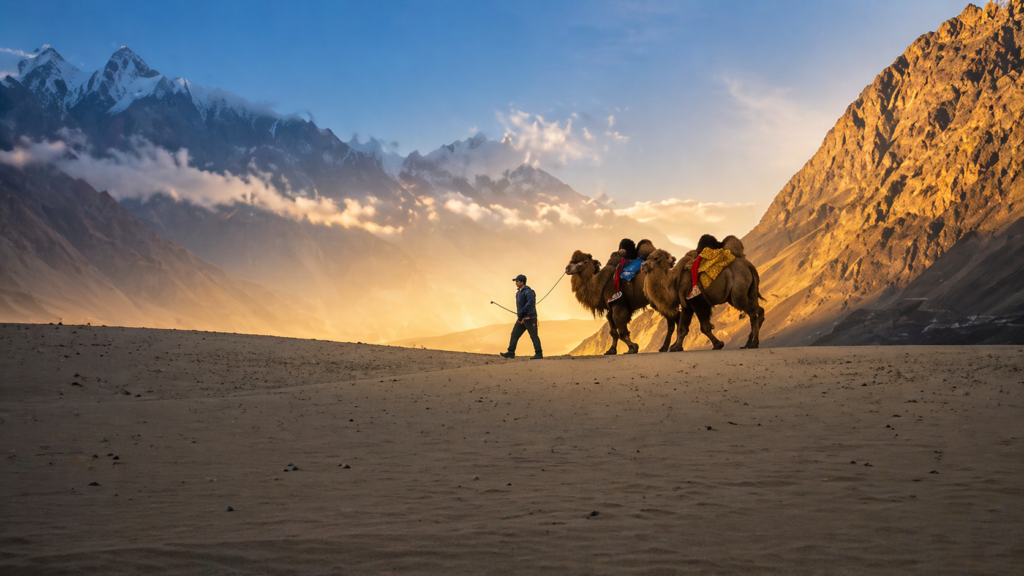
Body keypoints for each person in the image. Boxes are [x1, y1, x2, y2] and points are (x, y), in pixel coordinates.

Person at [500, 274, 543, 359]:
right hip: (522, 318)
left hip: (530, 318)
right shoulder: (518, 293)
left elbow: (530, 303)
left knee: (533, 335)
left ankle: (539, 353)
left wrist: (522, 312)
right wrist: (520, 316)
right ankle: (511, 352)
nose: (516, 283)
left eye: (517, 281)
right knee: (514, 334)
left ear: (522, 282)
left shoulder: (528, 291)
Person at [607, 238, 638, 303]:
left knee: (618, 271)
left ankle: (618, 292)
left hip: (627, 262)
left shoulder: (622, 260)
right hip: (633, 260)